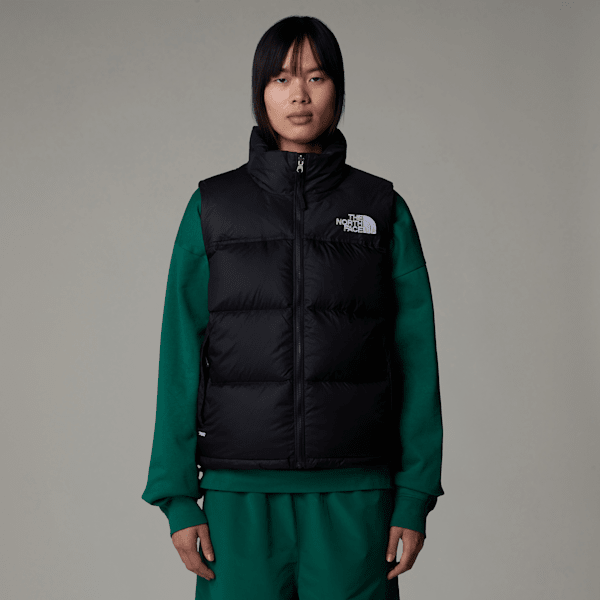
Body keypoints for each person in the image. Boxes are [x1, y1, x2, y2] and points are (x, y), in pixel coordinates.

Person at [142, 15, 444, 600]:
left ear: (338, 89)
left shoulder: (381, 208)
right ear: (261, 92)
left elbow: (416, 358)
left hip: (356, 495)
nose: (299, 94)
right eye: (281, 78)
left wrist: (414, 495)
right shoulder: (213, 207)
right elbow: (180, 352)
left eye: (316, 76)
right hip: (238, 497)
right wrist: (177, 497)